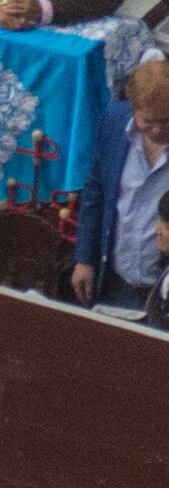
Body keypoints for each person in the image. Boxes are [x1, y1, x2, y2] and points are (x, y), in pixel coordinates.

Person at [73, 52, 169, 312]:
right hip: (113, 282)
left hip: (162, 290)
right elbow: (95, 191)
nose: (158, 130)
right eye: (149, 121)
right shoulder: (113, 121)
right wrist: (84, 259)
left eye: (167, 121)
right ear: (133, 107)